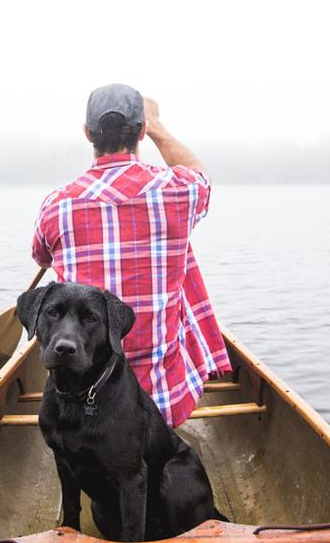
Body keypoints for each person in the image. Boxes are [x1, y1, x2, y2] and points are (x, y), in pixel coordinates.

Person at [31, 83, 231, 427]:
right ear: (141, 131)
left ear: (87, 133)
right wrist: (157, 124)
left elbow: (41, 257)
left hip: (81, 405)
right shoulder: (180, 191)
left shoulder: (56, 206)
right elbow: (202, 176)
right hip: (162, 404)